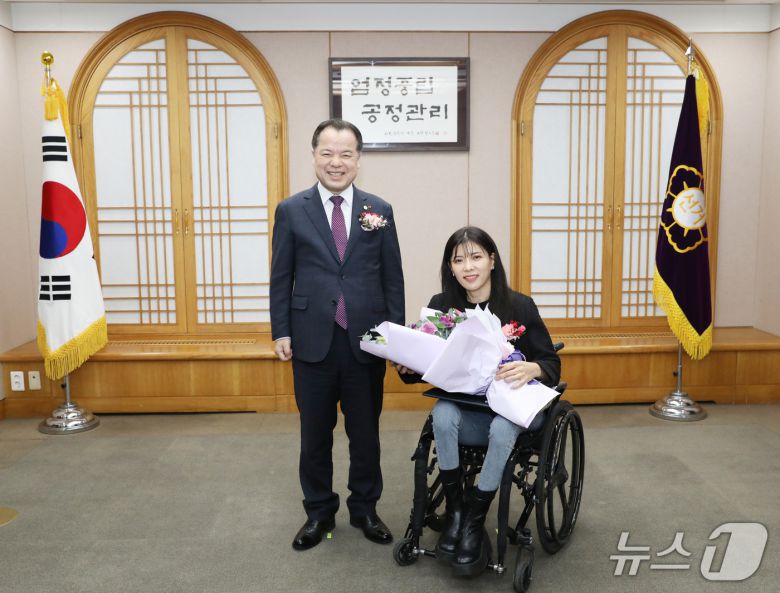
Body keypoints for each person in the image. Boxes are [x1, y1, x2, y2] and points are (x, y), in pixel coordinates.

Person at [270, 119, 405, 551]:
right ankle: (319, 513)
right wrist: (281, 330)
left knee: (365, 435)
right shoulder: (292, 210)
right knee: (315, 435)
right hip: (311, 341)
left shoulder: (379, 210)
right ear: (313, 156)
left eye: (346, 154)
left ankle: (365, 509)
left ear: (358, 159)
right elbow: (281, 276)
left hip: (365, 341)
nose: (336, 162)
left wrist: (395, 338)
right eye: (327, 153)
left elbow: (392, 279)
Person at [395, 226, 560, 576]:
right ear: (450, 267)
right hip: (466, 410)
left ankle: (474, 518)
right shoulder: (442, 306)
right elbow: (429, 365)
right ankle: (456, 511)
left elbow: (551, 363)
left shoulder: (519, 306)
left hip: (509, 410)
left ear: (492, 260)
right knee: (442, 413)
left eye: (476, 257)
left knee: (502, 427)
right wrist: (408, 364)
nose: (468, 267)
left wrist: (533, 367)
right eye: (459, 260)